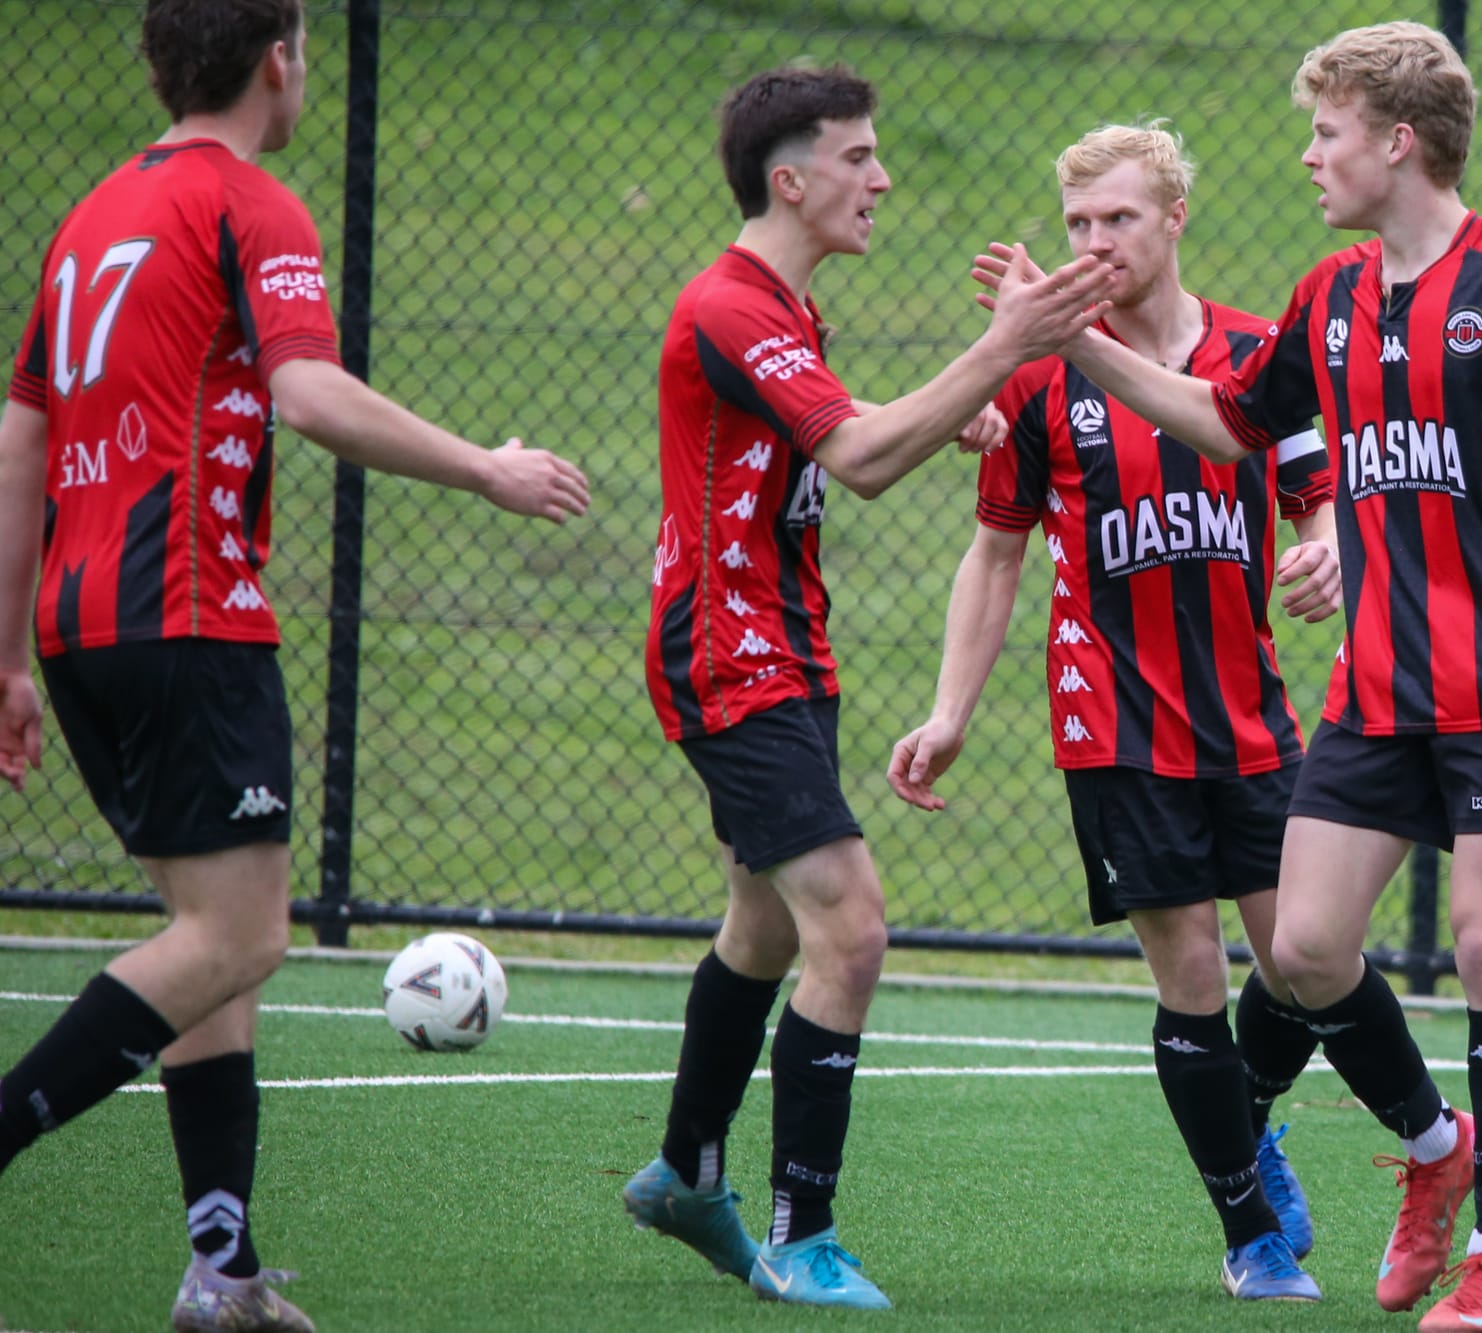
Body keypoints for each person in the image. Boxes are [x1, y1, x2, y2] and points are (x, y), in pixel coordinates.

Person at [976, 23, 1482, 1332]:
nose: (1310, 156)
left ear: (1395, 140)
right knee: (1304, 948)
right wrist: (1070, 338)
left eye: (1328, 132)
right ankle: (1436, 1155)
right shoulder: (1328, 297)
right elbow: (1225, 420)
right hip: (1376, 692)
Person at [0, 2, 591, 1330]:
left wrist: (8, 660)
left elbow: (19, 442)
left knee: (209, 947)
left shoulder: (91, 217)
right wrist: (485, 466)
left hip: (81, 620)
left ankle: (224, 1268)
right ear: (281, 60)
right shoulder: (249, 204)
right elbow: (311, 396)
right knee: (243, 933)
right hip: (191, 611)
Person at [621, 66, 1111, 1312]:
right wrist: (1003, 350)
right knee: (852, 922)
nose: (881, 179)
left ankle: (685, 1170)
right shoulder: (728, 306)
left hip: (783, 650)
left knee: (766, 928)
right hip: (732, 657)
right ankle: (802, 1230)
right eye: (858, 158)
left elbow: (844, 426)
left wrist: (956, 409)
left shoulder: (778, 307)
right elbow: (859, 454)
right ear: (790, 180)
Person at [888, 122, 1343, 1302]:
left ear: (1173, 217)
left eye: (1119, 220)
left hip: (1249, 714)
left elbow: (1318, 503)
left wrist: (1325, 553)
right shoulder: (1037, 376)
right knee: (1188, 967)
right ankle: (1247, 1234)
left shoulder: (1254, 350)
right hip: (1116, 725)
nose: (1095, 242)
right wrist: (948, 711)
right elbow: (994, 557)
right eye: (1078, 224)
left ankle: (1243, 1120)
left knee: (1305, 953)